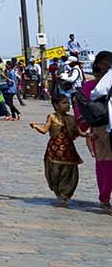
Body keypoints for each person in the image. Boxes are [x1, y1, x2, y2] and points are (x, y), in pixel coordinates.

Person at [28, 92, 86, 207]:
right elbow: (44, 130)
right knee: (54, 173)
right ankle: (58, 192)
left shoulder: (71, 119)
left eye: (68, 103)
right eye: (64, 103)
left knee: (70, 173)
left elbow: (79, 132)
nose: (67, 105)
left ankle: (64, 195)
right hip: (54, 151)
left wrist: (90, 135)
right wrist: (35, 126)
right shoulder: (52, 117)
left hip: (69, 151)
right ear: (56, 105)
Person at [78, 50, 112, 212]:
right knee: (105, 165)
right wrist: (84, 130)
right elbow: (83, 110)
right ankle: (104, 197)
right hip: (101, 131)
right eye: (103, 65)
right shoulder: (91, 86)